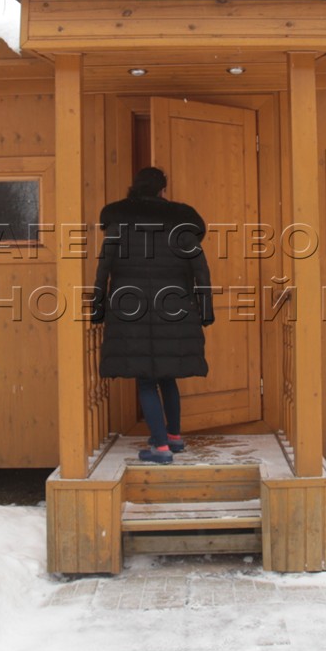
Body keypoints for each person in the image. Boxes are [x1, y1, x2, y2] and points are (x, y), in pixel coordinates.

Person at [90, 166, 213, 464]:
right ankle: (173, 437)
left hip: (131, 310)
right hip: (175, 308)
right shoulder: (181, 223)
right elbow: (201, 269)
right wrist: (205, 308)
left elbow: (103, 269)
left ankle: (160, 448)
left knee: (146, 380)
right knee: (167, 376)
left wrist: (98, 307)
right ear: (161, 190)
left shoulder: (119, 222)